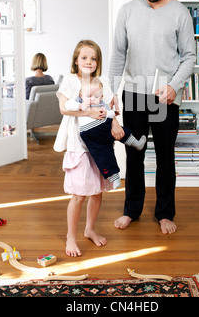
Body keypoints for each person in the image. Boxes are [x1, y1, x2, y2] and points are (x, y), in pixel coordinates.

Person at [109, 0, 196, 235]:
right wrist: (112, 92)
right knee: (134, 154)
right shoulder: (127, 11)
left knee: (164, 156)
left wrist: (174, 86)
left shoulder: (180, 13)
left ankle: (165, 213)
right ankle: (131, 210)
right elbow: (118, 55)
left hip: (164, 96)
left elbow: (190, 57)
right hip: (134, 95)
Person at [54, 40, 124, 257]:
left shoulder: (102, 81)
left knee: (97, 191)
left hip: (101, 145)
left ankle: (89, 229)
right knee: (79, 195)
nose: (89, 62)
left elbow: (112, 104)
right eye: (84, 57)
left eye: (93, 58)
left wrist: (115, 123)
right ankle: (70, 237)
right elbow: (64, 109)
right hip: (79, 146)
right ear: (76, 61)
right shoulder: (70, 81)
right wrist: (89, 113)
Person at [65, 78, 147, 190]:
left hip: (104, 126)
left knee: (121, 132)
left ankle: (135, 143)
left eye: (96, 96)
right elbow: (67, 105)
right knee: (102, 155)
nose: (92, 99)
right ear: (81, 95)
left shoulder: (102, 104)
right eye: (89, 96)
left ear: (101, 97)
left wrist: (111, 113)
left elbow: (110, 114)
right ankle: (114, 177)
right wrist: (79, 106)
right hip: (89, 132)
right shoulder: (79, 102)